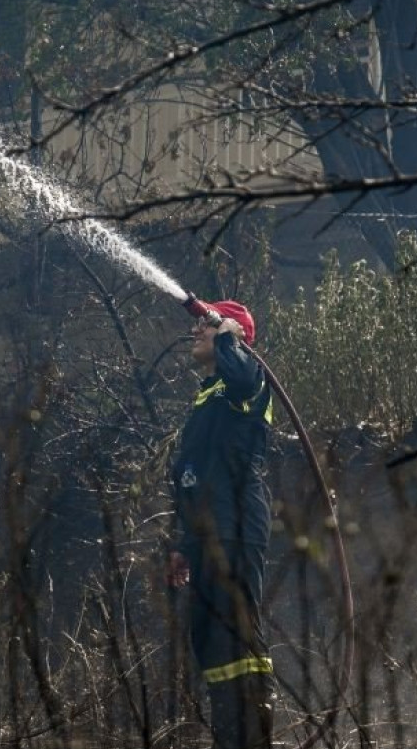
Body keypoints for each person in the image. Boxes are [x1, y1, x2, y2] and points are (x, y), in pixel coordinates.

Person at [167, 299, 275, 749]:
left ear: (233, 334)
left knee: (237, 637)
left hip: (235, 525)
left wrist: (231, 336)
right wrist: (182, 543)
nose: (196, 331)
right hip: (207, 534)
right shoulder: (209, 395)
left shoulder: (245, 381)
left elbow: (245, 377)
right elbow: (195, 472)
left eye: (206, 326)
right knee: (211, 642)